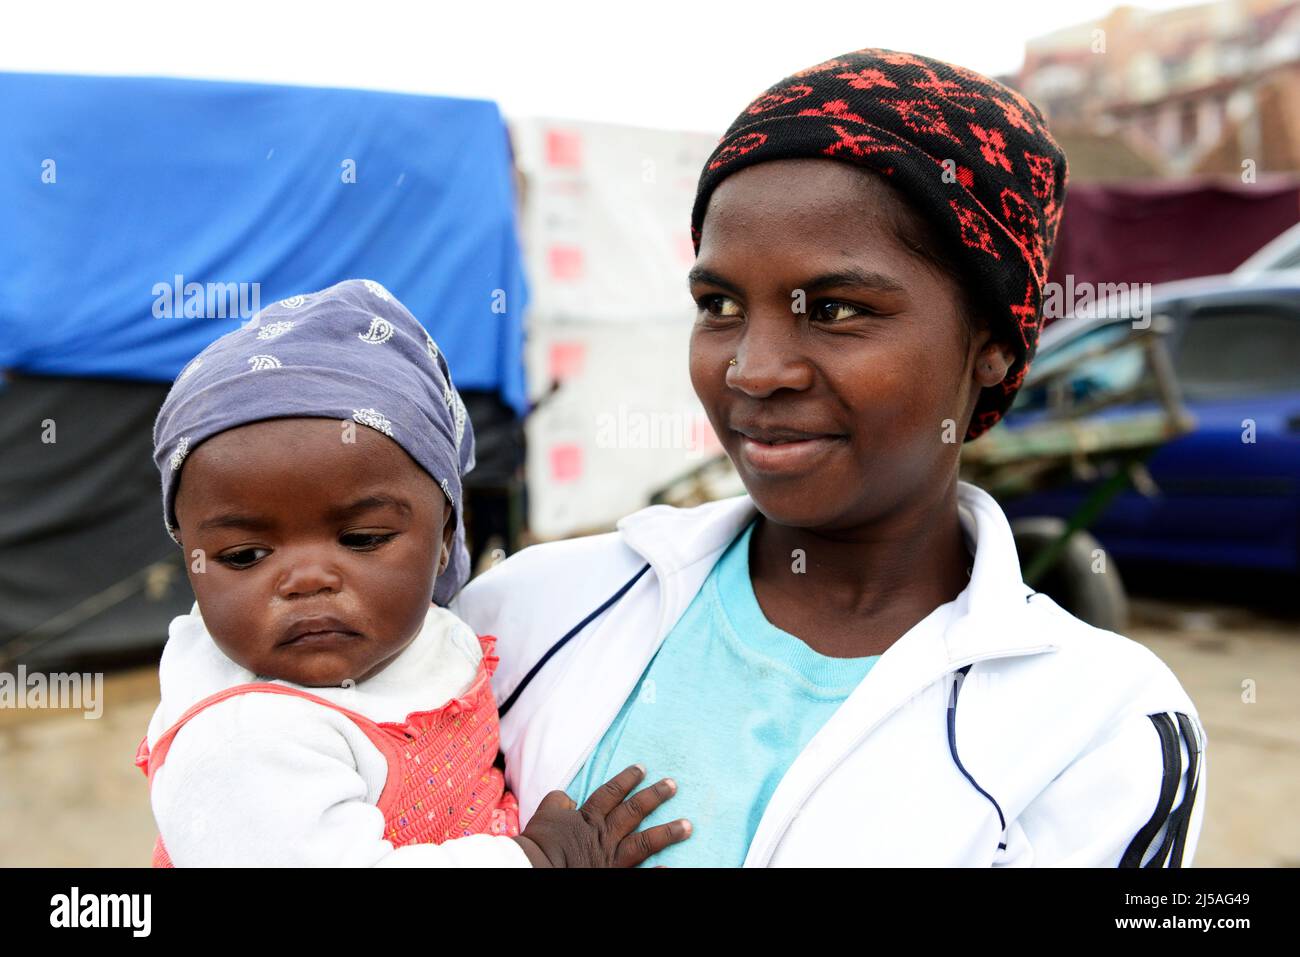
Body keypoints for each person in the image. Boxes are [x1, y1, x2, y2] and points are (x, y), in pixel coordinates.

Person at [451, 49, 1207, 867]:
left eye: (836, 309)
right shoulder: (522, 618)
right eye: (721, 305)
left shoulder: (1103, 731)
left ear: (988, 345)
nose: (753, 369)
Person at [136, 279, 691, 867]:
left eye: (363, 539)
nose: (305, 581)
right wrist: (539, 861)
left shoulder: (438, 636)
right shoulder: (242, 740)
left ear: (447, 535)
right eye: (244, 555)